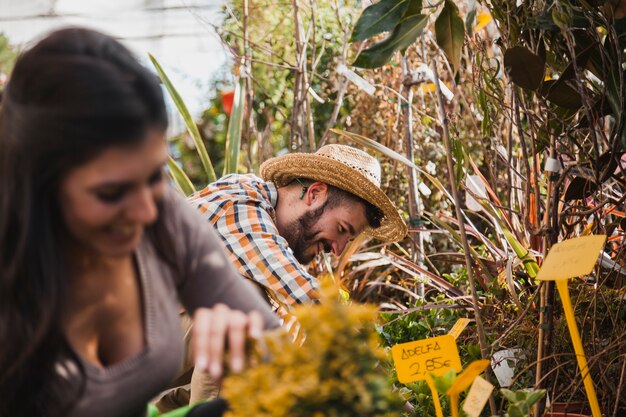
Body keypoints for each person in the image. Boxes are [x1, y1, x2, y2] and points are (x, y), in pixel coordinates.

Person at [0, 27, 279, 417]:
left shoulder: (163, 216)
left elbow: (267, 339)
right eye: (111, 193)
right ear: (37, 186)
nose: (147, 212)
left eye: (155, 176)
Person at [157, 144, 408, 408]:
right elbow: (307, 300)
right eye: (341, 229)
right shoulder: (239, 203)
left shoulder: (267, 252)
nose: (338, 249)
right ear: (315, 193)